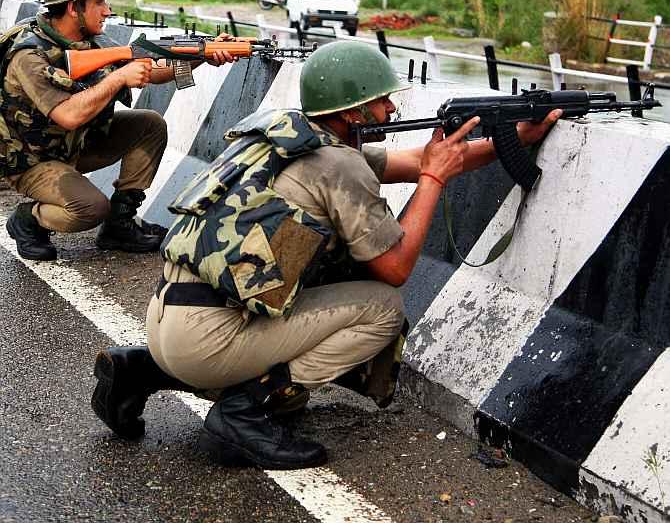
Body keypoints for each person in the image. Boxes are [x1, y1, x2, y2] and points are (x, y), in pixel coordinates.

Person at [90, 41, 561, 469]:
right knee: (383, 309)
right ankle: (244, 411)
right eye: (382, 99)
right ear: (354, 113)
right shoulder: (339, 165)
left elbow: (417, 160)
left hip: (168, 321)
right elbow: (395, 269)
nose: (392, 107)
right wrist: (433, 182)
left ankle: (140, 370)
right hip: (208, 341)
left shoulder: (290, 141)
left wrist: (513, 138)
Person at [0, 0, 233, 261]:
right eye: (100, 2)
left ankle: (120, 225)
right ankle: (28, 218)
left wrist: (203, 55)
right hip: (32, 160)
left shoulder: (90, 39)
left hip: (76, 145)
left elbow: (152, 69)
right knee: (91, 208)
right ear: (74, 7)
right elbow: (69, 116)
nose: (108, 10)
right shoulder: (29, 54)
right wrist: (119, 78)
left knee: (149, 125)